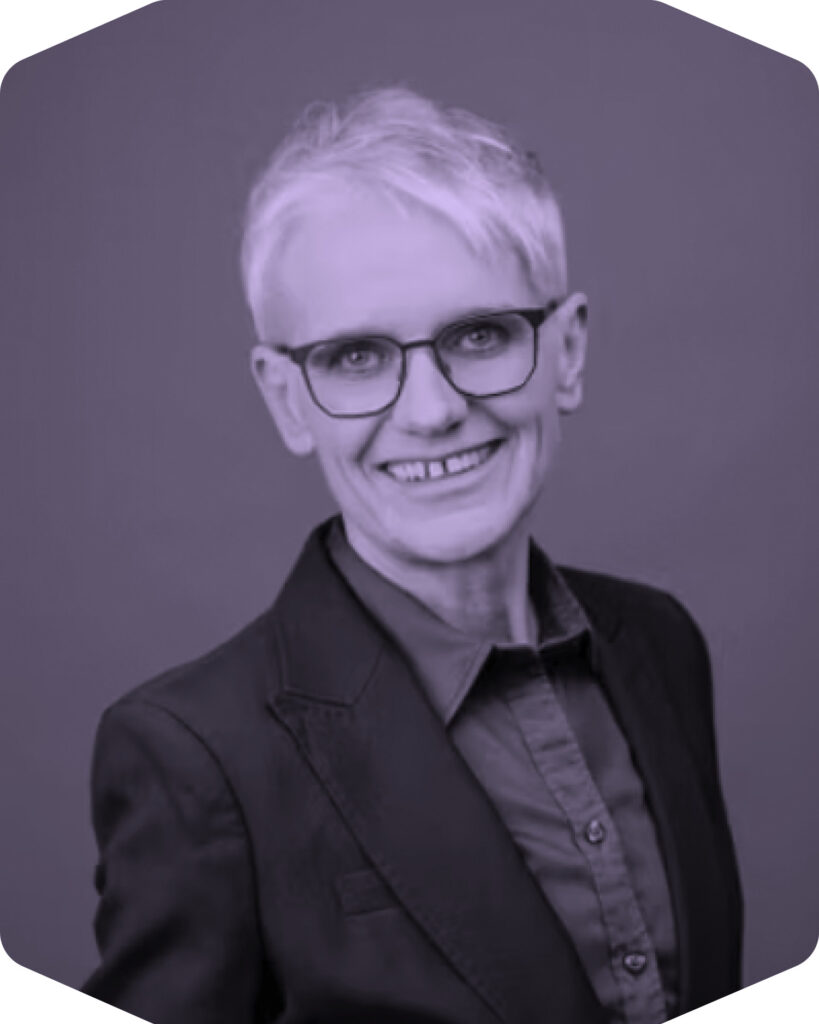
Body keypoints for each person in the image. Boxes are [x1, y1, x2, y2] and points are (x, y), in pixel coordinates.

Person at [82, 87, 743, 1024]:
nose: (431, 411)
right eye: (355, 356)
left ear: (566, 352)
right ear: (286, 400)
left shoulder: (659, 644)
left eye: (479, 335)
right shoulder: (196, 756)